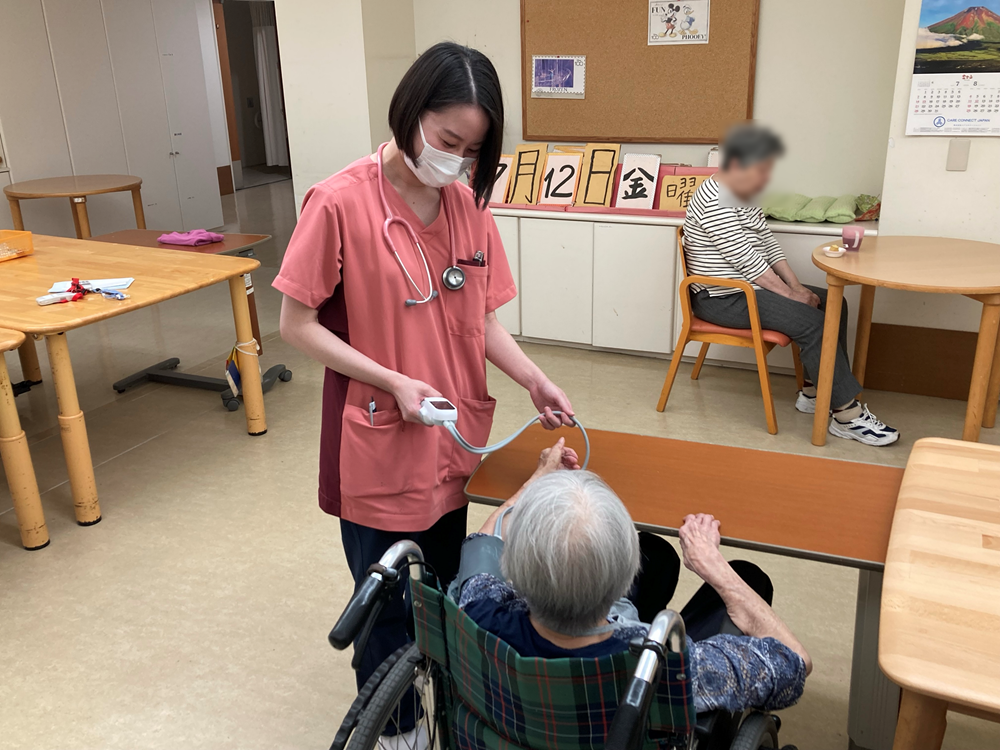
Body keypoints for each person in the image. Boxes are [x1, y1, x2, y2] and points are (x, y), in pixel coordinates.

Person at [273, 42, 574, 697]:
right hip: (380, 440)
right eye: (448, 139)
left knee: (442, 595)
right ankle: (397, 731)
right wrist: (392, 380)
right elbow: (296, 325)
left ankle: (442, 707)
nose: (458, 160)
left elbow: (483, 319)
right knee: (385, 611)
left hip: (451, 436)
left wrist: (533, 378)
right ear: (410, 111)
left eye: (472, 150)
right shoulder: (338, 203)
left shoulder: (466, 205)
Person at [455, 440, 810, 715]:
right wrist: (714, 565)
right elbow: (797, 660)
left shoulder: (480, 614)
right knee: (748, 577)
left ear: (513, 568)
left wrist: (539, 479)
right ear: (626, 577)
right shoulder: (672, 667)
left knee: (657, 551)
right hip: (631, 692)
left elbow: (487, 541)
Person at [682, 123, 898, 446]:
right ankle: (846, 414)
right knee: (812, 322)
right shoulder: (714, 200)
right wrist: (791, 296)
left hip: (748, 288)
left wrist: (798, 289)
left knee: (833, 301)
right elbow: (747, 262)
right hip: (722, 296)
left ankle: (814, 393)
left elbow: (768, 245)